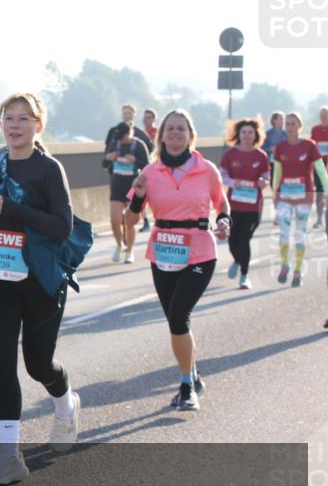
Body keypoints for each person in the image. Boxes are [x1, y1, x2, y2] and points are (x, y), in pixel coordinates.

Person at [0, 92, 82, 486]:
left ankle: (65, 402)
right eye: (8, 118)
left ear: (38, 125)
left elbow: (61, 225)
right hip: (0, 276)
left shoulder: (49, 170)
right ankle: (10, 455)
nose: (14, 125)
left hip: (41, 279)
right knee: (0, 358)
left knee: (37, 364)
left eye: (23, 119)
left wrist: (15, 212)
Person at [124, 108, 229, 411]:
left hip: (200, 250)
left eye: (180, 128)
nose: (174, 133)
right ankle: (193, 373)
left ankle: (185, 386)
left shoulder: (205, 168)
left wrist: (224, 221)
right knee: (176, 321)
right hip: (164, 251)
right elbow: (129, 222)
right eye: (169, 128)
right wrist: (139, 196)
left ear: (190, 135)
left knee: (178, 316)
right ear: (161, 135)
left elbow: (222, 204)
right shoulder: (149, 173)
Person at [272, 112, 328, 287]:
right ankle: (284, 265)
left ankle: (297, 270)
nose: (289, 127)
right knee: (283, 235)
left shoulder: (309, 146)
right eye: (287, 124)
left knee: (300, 235)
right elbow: (277, 173)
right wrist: (275, 193)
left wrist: (326, 191)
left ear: (299, 126)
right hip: (285, 197)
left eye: (293, 123)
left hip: (305, 196)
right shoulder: (280, 147)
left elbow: (320, 170)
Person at [219, 118, 270, 290]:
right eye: (244, 132)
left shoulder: (261, 155)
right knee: (233, 240)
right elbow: (222, 175)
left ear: (255, 135)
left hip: (253, 206)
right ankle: (238, 260)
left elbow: (266, 176)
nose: (247, 136)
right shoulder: (231, 154)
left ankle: (245, 275)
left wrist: (264, 181)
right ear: (238, 135)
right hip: (234, 205)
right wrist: (234, 183)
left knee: (244, 240)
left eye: (250, 132)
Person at [103, 121, 149, 263]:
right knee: (115, 220)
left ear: (129, 134)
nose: (120, 139)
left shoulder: (139, 145)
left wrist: (135, 160)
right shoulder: (114, 143)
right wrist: (108, 158)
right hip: (117, 186)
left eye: (122, 136)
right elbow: (103, 164)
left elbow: (147, 167)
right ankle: (119, 244)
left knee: (129, 222)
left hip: (132, 187)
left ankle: (130, 251)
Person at [104, 103, 154, 232]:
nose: (127, 116)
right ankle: (124, 238)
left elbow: (149, 152)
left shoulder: (141, 135)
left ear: (134, 115)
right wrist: (110, 158)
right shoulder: (114, 131)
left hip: (135, 176)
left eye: (129, 113)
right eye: (125, 113)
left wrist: (136, 160)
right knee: (117, 213)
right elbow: (107, 152)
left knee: (135, 201)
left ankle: (144, 221)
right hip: (117, 175)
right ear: (121, 115)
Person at [311, 106, 328, 229]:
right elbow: (313, 146)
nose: (323, 116)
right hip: (319, 165)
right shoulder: (315, 129)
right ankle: (319, 218)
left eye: (325, 113)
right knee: (319, 192)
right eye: (321, 114)